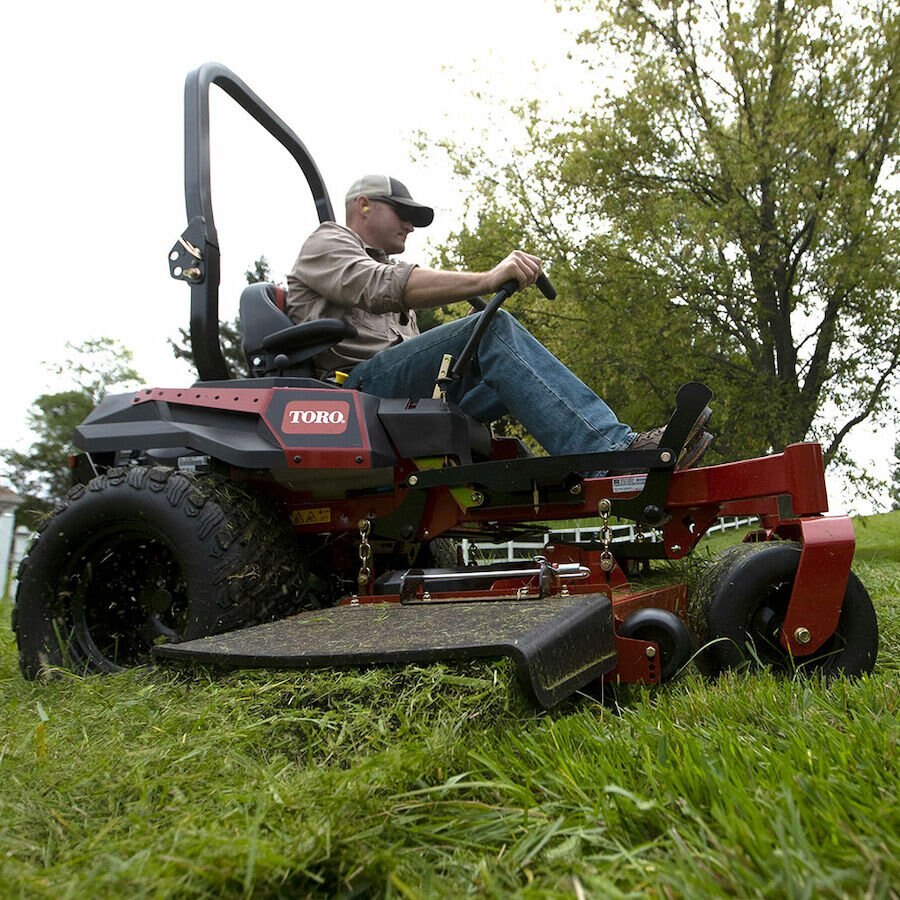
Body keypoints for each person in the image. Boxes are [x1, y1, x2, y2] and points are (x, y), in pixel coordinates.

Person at [286, 174, 711, 468]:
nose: (411, 225)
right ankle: (612, 452)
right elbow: (380, 285)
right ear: (363, 205)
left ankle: (554, 481)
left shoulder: (385, 266)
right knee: (493, 329)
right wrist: (488, 279)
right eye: (402, 213)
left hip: (399, 397)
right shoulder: (328, 241)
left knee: (502, 368)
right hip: (354, 395)